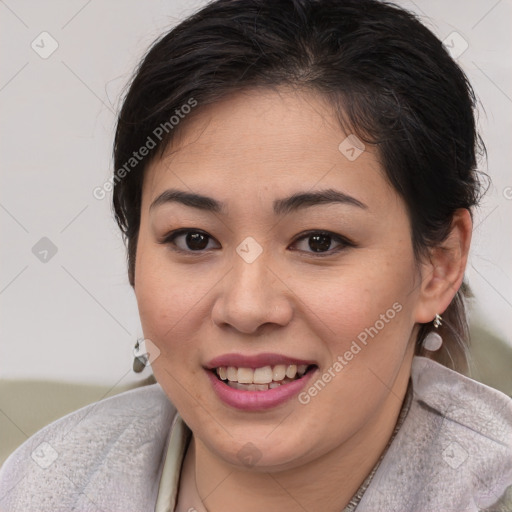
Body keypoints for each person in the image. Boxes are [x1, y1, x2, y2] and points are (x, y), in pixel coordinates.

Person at [1, 0, 511, 510]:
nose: (246, 308)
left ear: (439, 266)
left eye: (319, 241)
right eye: (194, 239)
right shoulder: (44, 485)